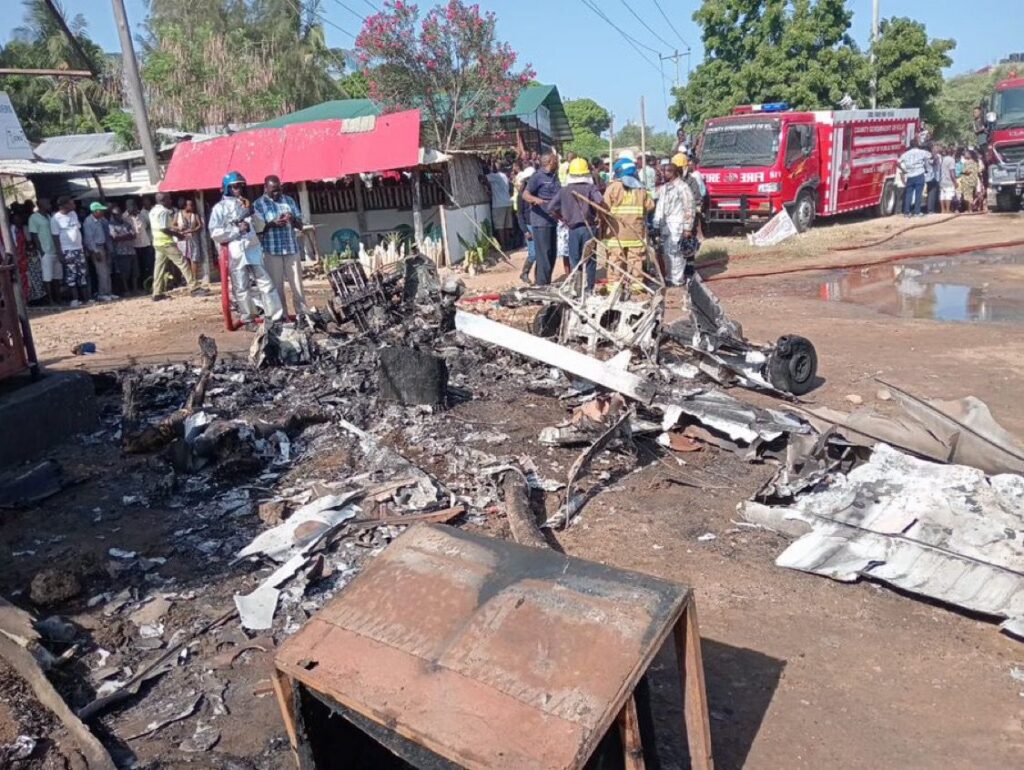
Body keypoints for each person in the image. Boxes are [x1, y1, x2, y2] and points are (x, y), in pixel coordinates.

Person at [209, 171, 283, 327]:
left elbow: (261, 225)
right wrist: (237, 230)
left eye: (240, 186)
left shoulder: (247, 203)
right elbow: (215, 232)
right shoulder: (219, 208)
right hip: (235, 250)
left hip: (253, 248)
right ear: (227, 188)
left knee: (265, 283)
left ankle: (275, 316)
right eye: (235, 187)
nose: (238, 190)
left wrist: (252, 213)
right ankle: (248, 317)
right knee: (241, 286)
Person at [545, 157, 604, 290]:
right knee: (590, 260)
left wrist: (562, 218)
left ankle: (577, 289)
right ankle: (589, 289)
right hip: (589, 228)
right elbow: (600, 202)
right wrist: (597, 215)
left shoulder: (564, 190)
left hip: (572, 228)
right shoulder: (591, 188)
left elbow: (550, 208)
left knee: (575, 260)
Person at [253, 175, 307, 317]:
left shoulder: (288, 201)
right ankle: (282, 318)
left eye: (279, 190)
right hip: (271, 251)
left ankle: (303, 315)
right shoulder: (258, 204)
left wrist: (292, 218)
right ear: (265, 188)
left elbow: (301, 225)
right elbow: (256, 230)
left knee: (297, 286)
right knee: (276, 287)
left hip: (291, 248)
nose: (276, 193)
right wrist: (271, 224)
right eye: (273, 191)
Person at [602, 157, 654, 290]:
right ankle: (636, 286)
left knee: (615, 259)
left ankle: (614, 287)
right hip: (635, 232)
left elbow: (604, 207)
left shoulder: (612, 188)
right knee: (636, 260)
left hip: (616, 232)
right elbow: (650, 206)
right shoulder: (641, 188)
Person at [654, 157, 698, 286]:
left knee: (676, 252)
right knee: (667, 252)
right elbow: (659, 207)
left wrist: (687, 228)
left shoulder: (682, 187)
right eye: (664, 170)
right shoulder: (664, 188)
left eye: (668, 171)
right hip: (665, 225)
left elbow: (689, 207)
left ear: (675, 172)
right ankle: (669, 277)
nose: (665, 173)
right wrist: (656, 224)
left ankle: (677, 279)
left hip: (677, 224)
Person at [150, 192, 201, 300]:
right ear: (163, 201)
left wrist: (177, 229)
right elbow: (164, 228)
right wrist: (178, 235)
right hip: (166, 242)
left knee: (159, 268)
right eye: (168, 199)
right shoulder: (163, 211)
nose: (171, 201)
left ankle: (157, 293)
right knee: (183, 263)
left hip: (157, 242)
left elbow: (162, 226)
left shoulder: (153, 211)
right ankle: (194, 288)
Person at [522, 153, 562, 286]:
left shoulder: (555, 177)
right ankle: (542, 285)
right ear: (549, 162)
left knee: (552, 254)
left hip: (552, 221)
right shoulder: (537, 177)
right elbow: (525, 194)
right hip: (540, 221)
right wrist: (536, 200)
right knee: (543, 255)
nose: (557, 163)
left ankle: (546, 282)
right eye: (555, 160)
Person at [50, 196, 89, 307]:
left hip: (78, 249)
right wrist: (60, 253)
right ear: (64, 205)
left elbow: (77, 230)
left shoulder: (73, 214)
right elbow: (55, 237)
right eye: (72, 203)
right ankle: (75, 300)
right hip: (67, 250)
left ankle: (86, 299)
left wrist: (82, 247)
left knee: (82, 273)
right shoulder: (55, 219)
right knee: (71, 275)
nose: (74, 205)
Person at [28, 198, 61, 305]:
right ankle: (50, 300)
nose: (49, 204)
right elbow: (34, 235)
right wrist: (41, 251)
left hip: (54, 250)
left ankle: (58, 298)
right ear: (40, 205)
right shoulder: (33, 218)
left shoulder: (49, 216)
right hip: (45, 250)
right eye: (47, 203)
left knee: (57, 276)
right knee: (47, 277)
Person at [82, 201, 116, 301]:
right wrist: (95, 251)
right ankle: (102, 293)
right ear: (95, 211)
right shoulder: (88, 222)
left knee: (107, 271)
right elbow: (89, 239)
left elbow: (107, 233)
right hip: (97, 248)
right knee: (102, 272)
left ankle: (109, 292)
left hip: (104, 246)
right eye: (101, 210)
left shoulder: (102, 219)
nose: (103, 212)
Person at [173, 197, 207, 283]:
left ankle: (194, 278)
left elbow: (199, 225)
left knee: (194, 258)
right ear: (185, 206)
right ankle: (186, 278)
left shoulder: (194, 215)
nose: (192, 207)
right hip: (182, 240)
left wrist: (193, 230)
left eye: (192, 205)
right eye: (190, 205)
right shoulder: (178, 214)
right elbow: (172, 225)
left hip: (193, 239)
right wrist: (179, 228)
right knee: (184, 259)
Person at [108, 205, 139, 295]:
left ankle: (135, 290)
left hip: (131, 250)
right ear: (113, 215)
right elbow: (114, 238)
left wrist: (123, 236)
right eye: (115, 214)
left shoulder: (127, 224)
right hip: (121, 252)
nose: (118, 216)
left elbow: (134, 235)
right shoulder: (111, 225)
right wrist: (127, 236)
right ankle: (126, 291)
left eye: (119, 214)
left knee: (135, 272)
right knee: (124, 273)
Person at [514, 165, 537, 283]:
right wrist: (525, 230)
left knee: (540, 254)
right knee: (533, 254)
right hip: (529, 226)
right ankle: (524, 273)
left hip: (538, 225)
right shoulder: (521, 195)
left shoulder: (537, 192)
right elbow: (520, 214)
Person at [484, 164, 514, 250]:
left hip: (498, 205)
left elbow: (482, 178)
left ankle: (503, 246)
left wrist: (485, 184)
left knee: (500, 227)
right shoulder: (505, 176)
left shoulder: (494, 176)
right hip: (507, 202)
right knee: (507, 225)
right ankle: (509, 245)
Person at [898, 140, 930, 217]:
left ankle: (906, 212)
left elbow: (898, 162)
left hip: (910, 175)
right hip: (919, 174)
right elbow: (930, 156)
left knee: (909, 194)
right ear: (917, 144)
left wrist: (903, 170)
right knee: (918, 194)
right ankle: (917, 212)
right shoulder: (921, 152)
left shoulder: (905, 154)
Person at [124, 198, 152, 283]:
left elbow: (148, 226)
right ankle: (141, 285)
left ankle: (149, 283)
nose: (133, 207)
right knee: (137, 267)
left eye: (134, 205)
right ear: (127, 207)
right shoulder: (124, 217)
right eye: (131, 205)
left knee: (148, 265)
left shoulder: (141, 215)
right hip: (134, 246)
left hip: (145, 243)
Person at [939, 145, 957, 214]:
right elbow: (952, 172)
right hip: (949, 180)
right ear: (952, 152)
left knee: (942, 195)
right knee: (948, 195)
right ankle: (947, 210)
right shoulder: (951, 160)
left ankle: (942, 210)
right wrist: (955, 182)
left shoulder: (943, 159)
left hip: (942, 180)